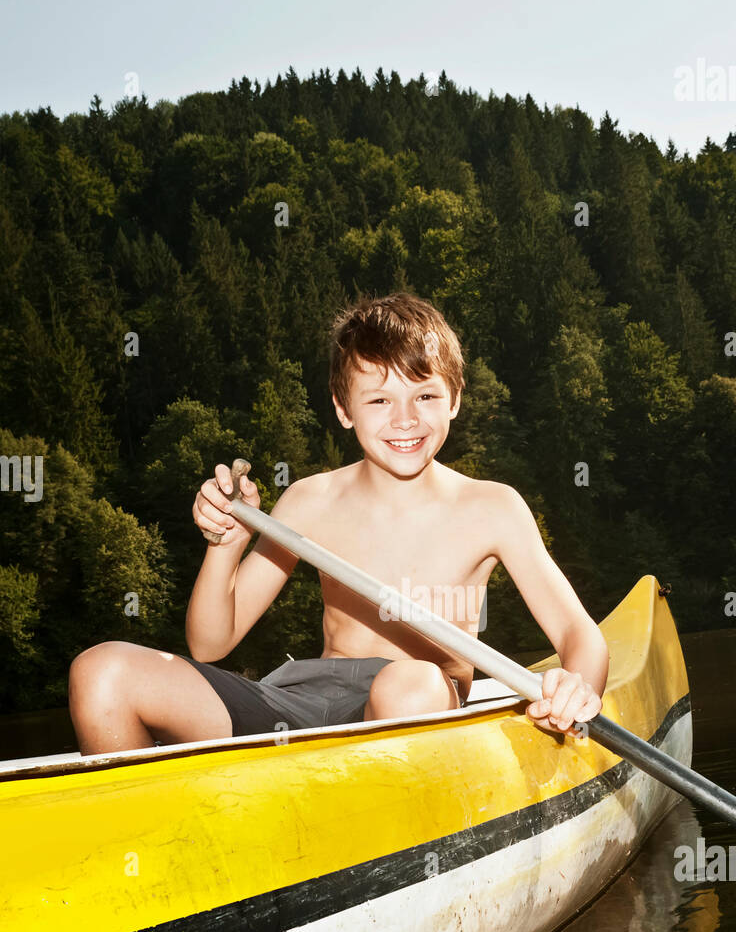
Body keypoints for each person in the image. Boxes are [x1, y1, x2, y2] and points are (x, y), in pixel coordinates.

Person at [68, 292, 609, 753]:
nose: (405, 419)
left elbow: (579, 634)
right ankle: (153, 853)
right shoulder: (310, 501)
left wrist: (575, 687)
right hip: (299, 703)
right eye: (379, 399)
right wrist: (226, 546)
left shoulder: (492, 507)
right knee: (101, 672)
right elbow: (212, 643)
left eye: (425, 395)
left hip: (419, 703)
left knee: (409, 684)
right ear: (344, 409)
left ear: (455, 401)